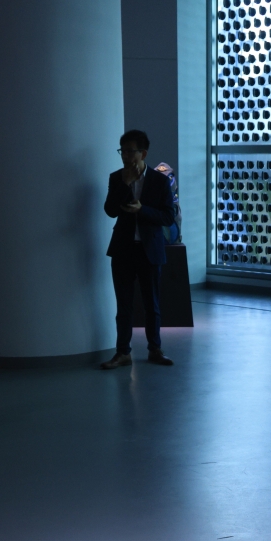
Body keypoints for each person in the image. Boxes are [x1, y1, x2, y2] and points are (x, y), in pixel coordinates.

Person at [100, 129, 177, 369]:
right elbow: (110, 210)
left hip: (149, 249)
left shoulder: (160, 181)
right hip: (123, 249)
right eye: (122, 151)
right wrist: (125, 184)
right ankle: (123, 352)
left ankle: (155, 349)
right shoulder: (117, 178)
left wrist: (142, 209)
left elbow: (168, 216)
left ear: (143, 153)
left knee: (151, 304)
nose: (125, 156)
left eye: (130, 151)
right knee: (123, 305)